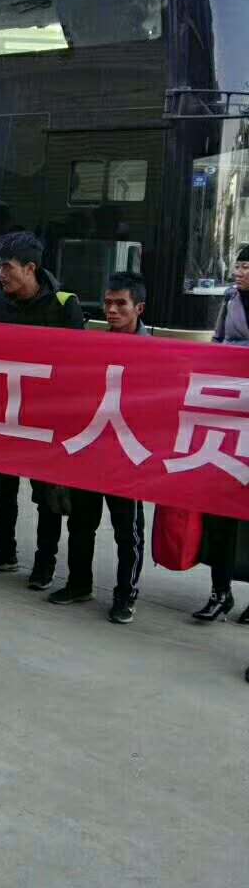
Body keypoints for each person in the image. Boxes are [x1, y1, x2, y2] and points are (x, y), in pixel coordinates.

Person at [0, 232, 86, 586]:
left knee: (46, 496)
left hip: (45, 419)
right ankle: (3, 551)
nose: (1, 274)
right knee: (2, 489)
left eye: (8, 267)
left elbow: (77, 366)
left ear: (31, 268)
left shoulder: (64, 306)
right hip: (5, 414)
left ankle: (45, 562)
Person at [46, 271, 150, 623]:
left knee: (127, 532)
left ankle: (126, 595)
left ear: (139, 308)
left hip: (126, 454)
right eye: (108, 303)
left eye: (121, 304)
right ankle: (78, 584)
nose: (112, 310)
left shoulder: (157, 353)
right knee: (81, 523)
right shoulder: (93, 346)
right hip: (90, 449)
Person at [193, 244, 249, 623]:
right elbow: (216, 344)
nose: (239, 272)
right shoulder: (230, 301)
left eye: (246, 267)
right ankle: (220, 592)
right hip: (228, 415)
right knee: (221, 511)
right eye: (238, 265)